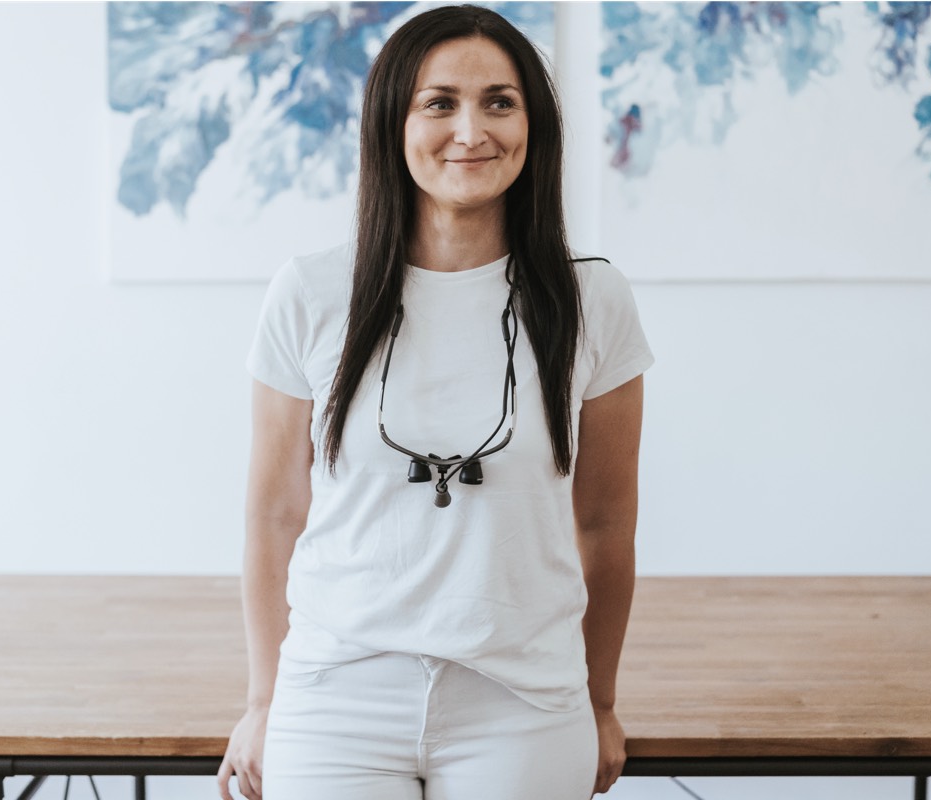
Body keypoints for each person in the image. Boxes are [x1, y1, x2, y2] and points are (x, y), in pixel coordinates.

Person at [217, 5, 653, 799]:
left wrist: (600, 701)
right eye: (440, 103)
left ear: (533, 124)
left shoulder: (594, 300)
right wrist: (260, 701)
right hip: (335, 696)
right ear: (395, 122)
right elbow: (275, 514)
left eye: (500, 102)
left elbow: (605, 524)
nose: (471, 131)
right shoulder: (311, 292)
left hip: (524, 700)